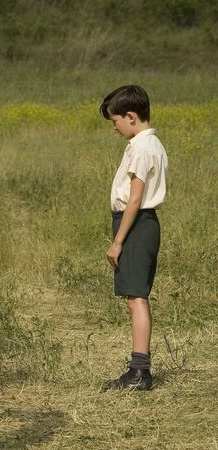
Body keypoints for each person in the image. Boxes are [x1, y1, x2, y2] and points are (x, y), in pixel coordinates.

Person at [99, 85, 168, 392]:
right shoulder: (148, 143)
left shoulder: (142, 147)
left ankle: (140, 371)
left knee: (136, 298)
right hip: (139, 223)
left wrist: (118, 241)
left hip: (136, 223)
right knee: (134, 296)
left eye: (115, 121)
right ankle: (139, 369)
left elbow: (135, 199)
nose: (114, 128)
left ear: (130, 116)